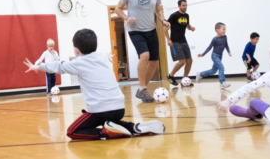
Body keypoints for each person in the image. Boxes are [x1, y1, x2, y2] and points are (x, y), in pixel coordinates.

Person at [24, 28, 165, 140]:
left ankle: (105, 134)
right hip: (119, 109)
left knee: (72, 131)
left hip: (100, 111)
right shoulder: (102, 57)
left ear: (76, 50)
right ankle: (133, 127)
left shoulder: (79, 62)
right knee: (109, 122)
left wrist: (39, 66)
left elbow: (59, 66)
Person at [115, 0, 170, 103]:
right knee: (145, 55)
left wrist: (163, 20)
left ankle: (142, 89)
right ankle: (142, 87)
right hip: (135, 30)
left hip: (151, 29)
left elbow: (158, 10)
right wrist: (126, 18)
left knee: (154, 62)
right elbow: (118, 9)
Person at [164, 0, 195, 86]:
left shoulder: (186, 16)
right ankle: (170, 76)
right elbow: (165, 27)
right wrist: (168, 39)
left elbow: (187, 25)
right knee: (182, 61)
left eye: (186, 5)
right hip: (174, 41)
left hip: (183, 41)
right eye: (183, 5)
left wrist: (191, 28)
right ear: (179, 6)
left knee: (189, 60)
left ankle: (184, 80)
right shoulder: (174, 15)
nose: (185, 7)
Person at [196, 22, 232, 89]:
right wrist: (203, 54)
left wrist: (228, 51)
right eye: (223, 29)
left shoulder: (225, 37)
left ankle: (200, 74)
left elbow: (226, 45)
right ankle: (222, 82)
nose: (225, 31)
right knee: (221, 67)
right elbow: (209, 47)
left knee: (213, 71)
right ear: (217, 30)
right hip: (215, 56)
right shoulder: (215, 39)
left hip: (220, 56)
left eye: (225, 29)